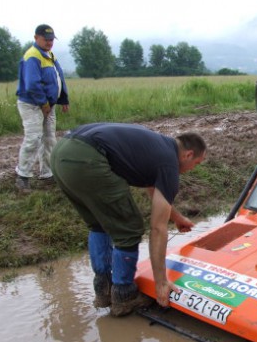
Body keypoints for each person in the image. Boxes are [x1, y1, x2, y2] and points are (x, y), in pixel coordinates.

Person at [50, 123, 207, 317]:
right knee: (129, 228)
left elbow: (153, 187)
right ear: (188, 155)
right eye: (197, 163)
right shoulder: (169, 164)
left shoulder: (158, 147)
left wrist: (177, 217)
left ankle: (103, 289)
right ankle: (124, 295)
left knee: (99, 223)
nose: (193, 168)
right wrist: (161, 282)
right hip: (87, 159)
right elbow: (158, 228)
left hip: (61, 153)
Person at [15, 24, 70, 193]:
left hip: (48, 105)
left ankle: (48, 174)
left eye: (51, 39)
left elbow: (58, 77)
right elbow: (32, 84)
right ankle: (22, 177)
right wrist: (44, 104)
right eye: (46, 39)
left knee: (49, 139)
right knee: (33, 139)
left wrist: (63, 99)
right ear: (36, 38)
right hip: (32, 105)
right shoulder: (32, 56)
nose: (49, 42)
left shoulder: (50, 55)